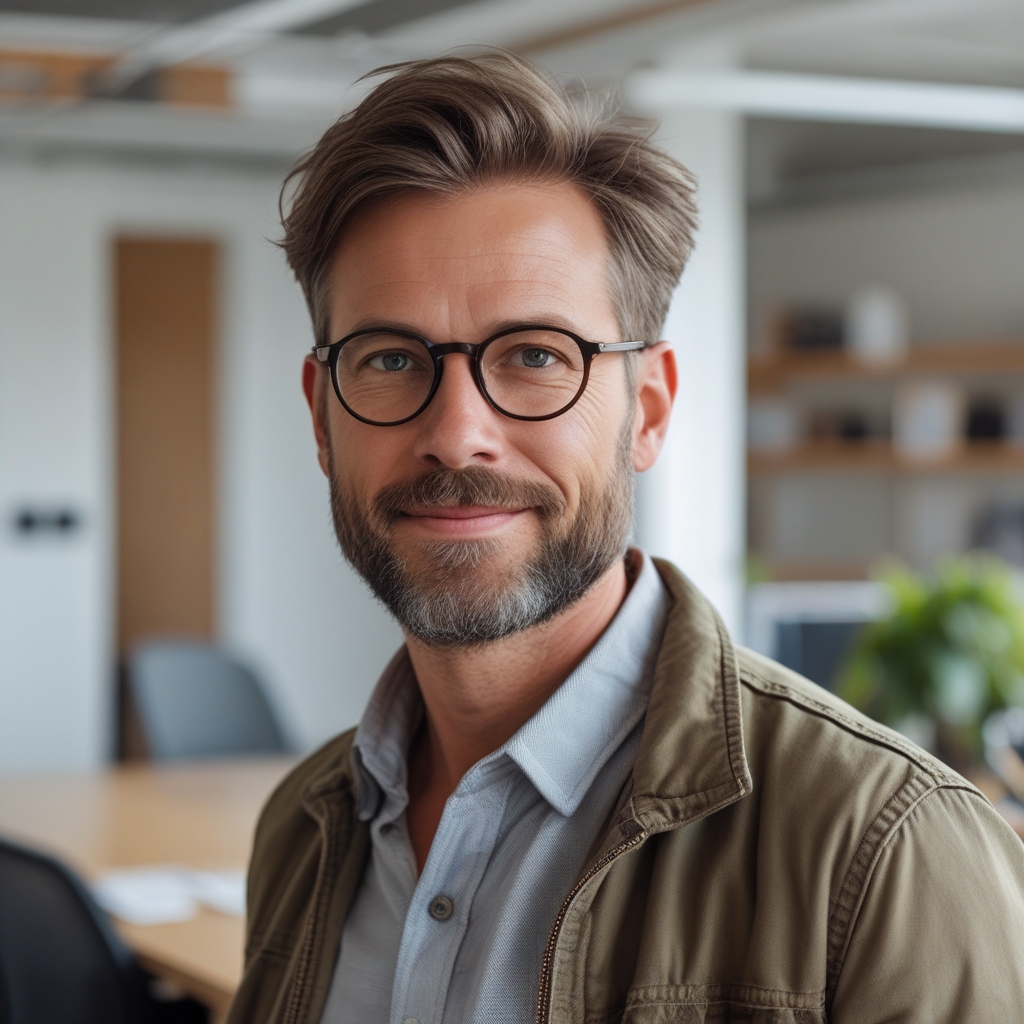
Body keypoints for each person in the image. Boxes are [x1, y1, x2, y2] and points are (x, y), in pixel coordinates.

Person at [226, 53, 1024, 1024]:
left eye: (532, 356)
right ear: (322, 419)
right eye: (389, 359)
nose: (455, 431)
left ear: (646, 410)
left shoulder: (887, 852)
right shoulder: (303, 829)